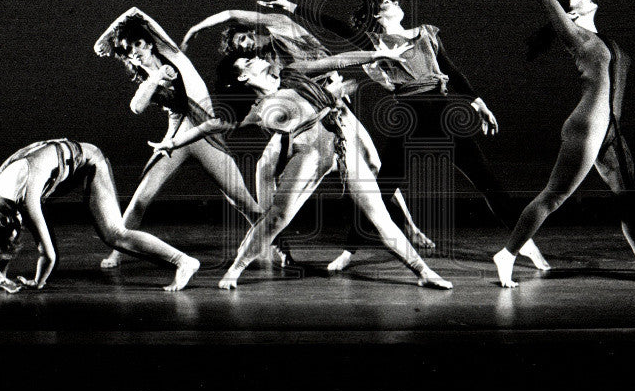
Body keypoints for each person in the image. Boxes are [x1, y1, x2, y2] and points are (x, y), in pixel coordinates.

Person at [258, 0, 547, 272]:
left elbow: (452, 71)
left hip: (442, 110)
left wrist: (479, 103)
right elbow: (334, 24)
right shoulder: (373, 42)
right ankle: (349, 250)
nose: (395, 3)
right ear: (376, 15)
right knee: (382, 189)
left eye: (395, 1)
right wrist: (290, 6)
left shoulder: (426, 33)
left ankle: (525, 245)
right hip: (410, 115)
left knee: (486, 181)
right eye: (387, 3)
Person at [149, 46, 453, 290]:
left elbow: (338, 59)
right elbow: (208, 126)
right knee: (277, 218)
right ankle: (234, 270)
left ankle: (423, 272)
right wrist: (172, 144)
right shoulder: (252, 111)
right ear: (241, 76)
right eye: (248, 61)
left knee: (380, 217)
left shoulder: (291, 73)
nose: (257, 59)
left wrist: (376, 55)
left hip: (340, 141)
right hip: (309, 153)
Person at [481, 0, 635, 288]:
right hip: (586, 126)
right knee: (554, 197)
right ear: (571, 14)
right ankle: (507, 254)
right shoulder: (577, 37)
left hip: (610, 129)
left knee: (628, 200)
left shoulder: (606, 41)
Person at [183, 5, 434, 250]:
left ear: (253, 30)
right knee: (265, 168)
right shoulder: (263, 64)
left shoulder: (283, 28)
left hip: (331, 107)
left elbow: (231, 14)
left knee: (374, 166)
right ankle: (272, 240)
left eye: (246, 37)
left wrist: (197, 27)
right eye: (241, 46)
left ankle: (409, 226)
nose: (247, 45)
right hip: (306, 116)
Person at [93, 8, 263, 269]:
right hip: (175, 139)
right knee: (141, 199)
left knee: (240, 198)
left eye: (138, 44)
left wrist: (103, 39)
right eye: (128, 50)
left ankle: (275, 245)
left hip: (205, 136)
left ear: (149, 43)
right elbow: (137, 108)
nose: (135, 52)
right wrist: (155, 78)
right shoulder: (145, 81)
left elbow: (136, 12)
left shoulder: (174, 56)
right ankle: (118, 250)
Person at [0, 139, 200, 293]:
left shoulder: (27, 201)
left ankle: (184, 261)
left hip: (89, 161)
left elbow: (49, 255)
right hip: (56, 166)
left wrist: (38, 283)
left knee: (114, 234)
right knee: (5, 234)